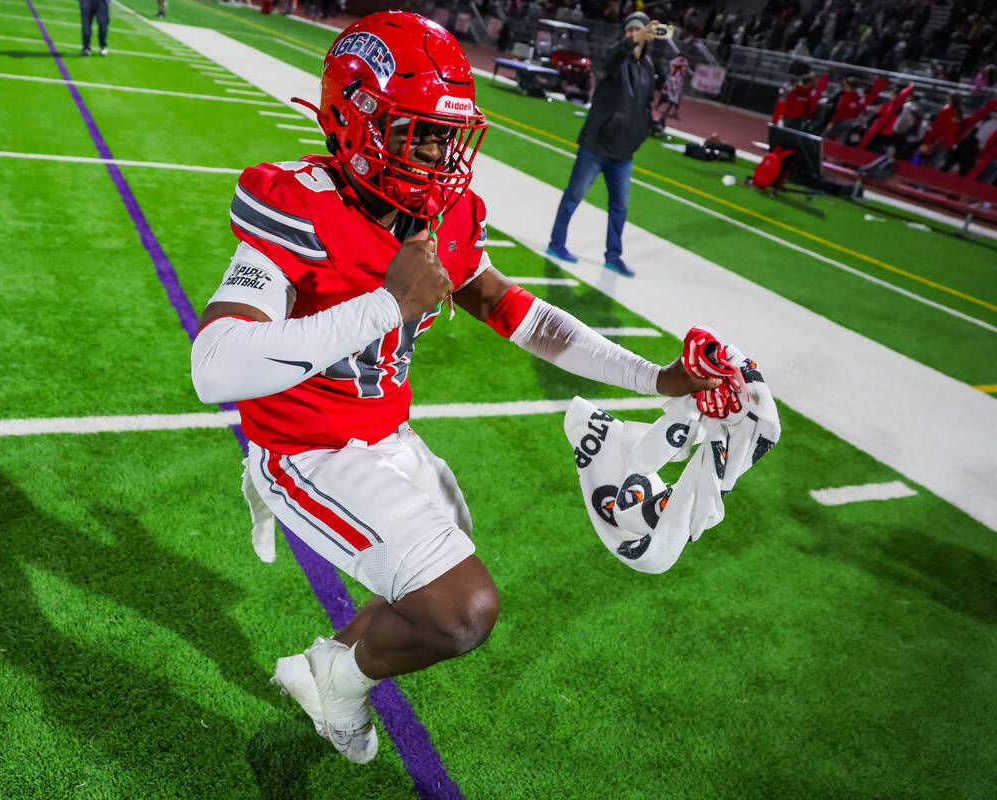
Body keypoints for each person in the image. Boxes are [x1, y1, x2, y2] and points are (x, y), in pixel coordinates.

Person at [189, 11, 723, 764]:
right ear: (358, 119)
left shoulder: (436, 208)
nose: (442, 156)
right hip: (307, 448)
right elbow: (216, 364)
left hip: (388, 436)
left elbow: (523, 316)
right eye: (421, 132)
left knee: (433, 574)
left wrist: (655, 376)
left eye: (449, 135)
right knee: (463, 609)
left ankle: (329, 674)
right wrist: (387, 304)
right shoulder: (301, 202)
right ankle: (339, 678)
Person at [546, 12, 662, 276]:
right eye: (630, 30)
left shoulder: (648, 66)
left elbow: (645, 104)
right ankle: (557, 243)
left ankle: (613, 255)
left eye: (639, 31)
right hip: (596, 144)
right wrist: (632, 42)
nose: (633, 34)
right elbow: (608, 60)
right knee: (573, 196)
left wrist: (640, 134)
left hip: (623, 152)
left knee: (620, 207)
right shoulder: (615, 58)